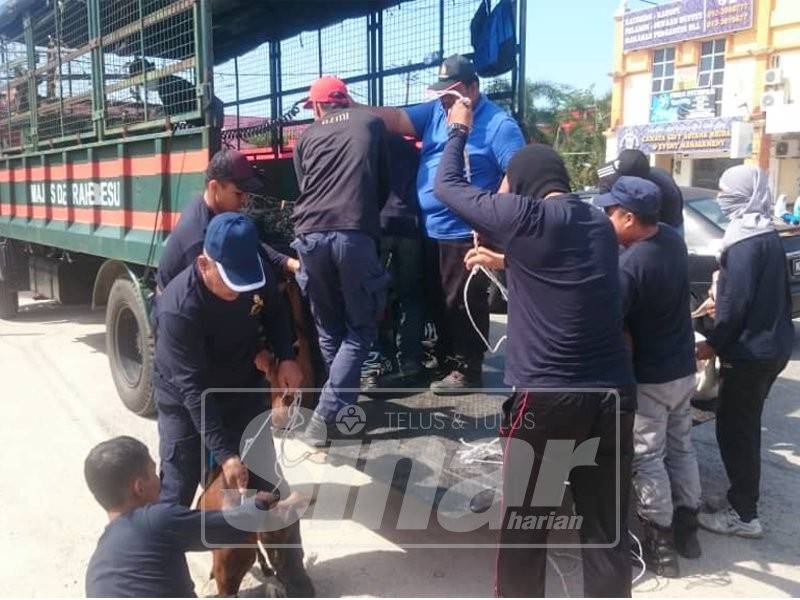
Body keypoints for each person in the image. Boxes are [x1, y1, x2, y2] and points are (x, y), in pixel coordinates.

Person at [437, 100, 636, 597]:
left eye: (508, 180)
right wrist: (502, 259)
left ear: (523, 183)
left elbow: (448, 188)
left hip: (549, 402)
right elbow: (556, 270)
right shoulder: (599, 228)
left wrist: (458, 131)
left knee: (526, 531)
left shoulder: (524, 216)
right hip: (613, 397)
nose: (503, 188)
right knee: (604, 529)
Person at [351, 54, 525, 394]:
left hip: (466, 232)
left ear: (474, 89)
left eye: (453, 94)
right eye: (443, 95)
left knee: (462, 301)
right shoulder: (435, 112)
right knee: (436, 300)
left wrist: (491, 218)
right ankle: (447, 358)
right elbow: (396, 118)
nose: (446, 101)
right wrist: (353, 106)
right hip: (429, 229)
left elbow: (517, 173)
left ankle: (468, 369)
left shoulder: (499, 125)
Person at [153, 212, 303, 505]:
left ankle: (287, 552)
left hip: (240, 385)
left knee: (273, 492)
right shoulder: (179, 309)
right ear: (203, 264)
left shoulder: (252, 271)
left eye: (245, 283)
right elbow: (193, 390)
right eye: (230, 281)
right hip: (185, 399)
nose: (239, 291)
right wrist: (225, 454)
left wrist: (286, 356)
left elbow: (274, 311)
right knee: (176, 493)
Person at [597, 177, 702, 577]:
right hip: (682, 369)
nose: (606, 219)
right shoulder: (673, 239)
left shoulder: (629, 266)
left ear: (628, 217)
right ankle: (688, 529)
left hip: (652, 377)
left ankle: (661, 544)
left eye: (610, 213)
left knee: (649, 457)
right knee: (682, 446)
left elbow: (610, 322)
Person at [695, 165, 795, 537]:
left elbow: (735, 307)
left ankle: (744, 515)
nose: (721, 197)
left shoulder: (741, 241)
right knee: (745, 426)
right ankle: (741, 496)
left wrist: (713, 343)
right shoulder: (767, 234)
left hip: (750, 353)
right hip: (774, 347)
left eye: (725, 191)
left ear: (741, 195)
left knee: (736, 430)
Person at [291, 76, 391, 444]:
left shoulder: (305, 138)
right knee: (361, 328)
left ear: (317, 107)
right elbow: (381, 183)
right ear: (345, 100)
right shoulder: (371, 123)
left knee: (328, 328)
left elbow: (304, 185)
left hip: (309, 237)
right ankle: (326, 414)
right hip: (354, 235)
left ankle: (340, 409)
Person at [84, 436, 285, 597]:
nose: (160, 481)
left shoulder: (98, 565)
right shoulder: (156, 520)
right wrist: (264, 500)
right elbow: (234, 526)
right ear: (139, 487)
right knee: (272, 594)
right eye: (154, 473)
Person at [157, 149, 297, 293]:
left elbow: (251, 244)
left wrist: (289, 263)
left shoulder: (219, 213)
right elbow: (212, 292)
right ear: (214, 187)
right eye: (238, 194)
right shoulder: (199, 238)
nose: (245, 200)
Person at [361, 133, 426, 389]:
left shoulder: (369, 146)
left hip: (379, 226)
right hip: (410, 225)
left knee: (374, 296)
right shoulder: (411, 149)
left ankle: (373, 365)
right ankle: (410, 361)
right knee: (410, 296)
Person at [598, 148, 685, 232]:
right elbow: (605, 195)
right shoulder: (609, 173)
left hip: (670, 223)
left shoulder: (666, 192)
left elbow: (655, 230)